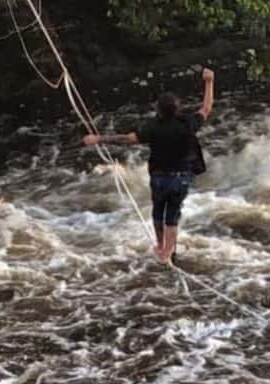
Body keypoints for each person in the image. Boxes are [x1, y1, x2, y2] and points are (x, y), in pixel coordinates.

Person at [84, 68, 215, 264]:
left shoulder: (153, 127)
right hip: (181, 177)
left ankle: (161, 246)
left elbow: (127, 139)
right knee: (173, 215)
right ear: (177, 109)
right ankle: (168, 253)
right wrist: (209, 82)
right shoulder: (188, 123)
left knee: (157, 212)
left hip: (159, 177)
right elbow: (206, 107)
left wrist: (99, 138)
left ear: (159, 110)